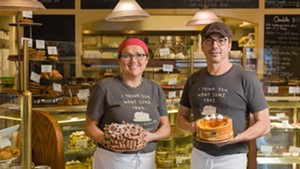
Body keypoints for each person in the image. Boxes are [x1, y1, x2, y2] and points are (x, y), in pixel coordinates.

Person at [176, 22, 270, 169]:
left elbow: (264, 125)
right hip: (200, 156)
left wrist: (236, 138)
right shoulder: (193, 80)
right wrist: (190, 127)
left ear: (229, 46)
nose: (215, 46)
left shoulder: (246, 78)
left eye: (221, 40)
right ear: (202, 46)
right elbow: (180, 118)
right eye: (209, 40)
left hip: (232, 158)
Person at [84, 37, 171, 169]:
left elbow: (166, 127)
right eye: (127, 56)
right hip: (113, 160)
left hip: (147, 160)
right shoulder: (104, 87)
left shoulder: (155, 89)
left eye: (139, 55)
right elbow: (89, 127)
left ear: (147, 60)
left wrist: (151, 137)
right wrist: (110, 141)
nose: (133, 60)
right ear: (119, 60)